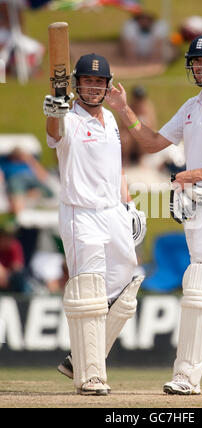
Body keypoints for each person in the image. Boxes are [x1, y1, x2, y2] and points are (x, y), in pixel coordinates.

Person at [106, 34, 202, 395]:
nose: (200, 67)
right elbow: (152, 142)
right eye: (195, 61)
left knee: (199, 282)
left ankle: (186, 376)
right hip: (196, 207)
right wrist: (124, 110)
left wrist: (197, 174)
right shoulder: (193, 106)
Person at [43, 53, 145, 395]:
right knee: (90, 291)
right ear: (77, 84)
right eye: (87, 81)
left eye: (99, 82)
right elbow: (54, 133)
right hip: (80, 212)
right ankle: (90, 376)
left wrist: (129, 206)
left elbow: (116, 169)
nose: (93, 87)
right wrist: (52, 113)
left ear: (107, 85)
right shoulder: (68, 118)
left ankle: (80, 358)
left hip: (113, 210)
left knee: (128, 288)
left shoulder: (112, 121)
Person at [0, 148, 54, 215]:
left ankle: (27, 196)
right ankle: (19, 215)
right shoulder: (5, 162)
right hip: (15, 178)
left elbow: (44, 176)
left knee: (50, 193)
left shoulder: (29, 162)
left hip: (32, 179)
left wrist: (30, 160)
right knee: (17, 193)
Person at [0, 227, 31, 293]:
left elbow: (17, 267)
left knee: (20, 279)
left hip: (10, 278)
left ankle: (24, 301)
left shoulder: (15, 245)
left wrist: (6, 275)